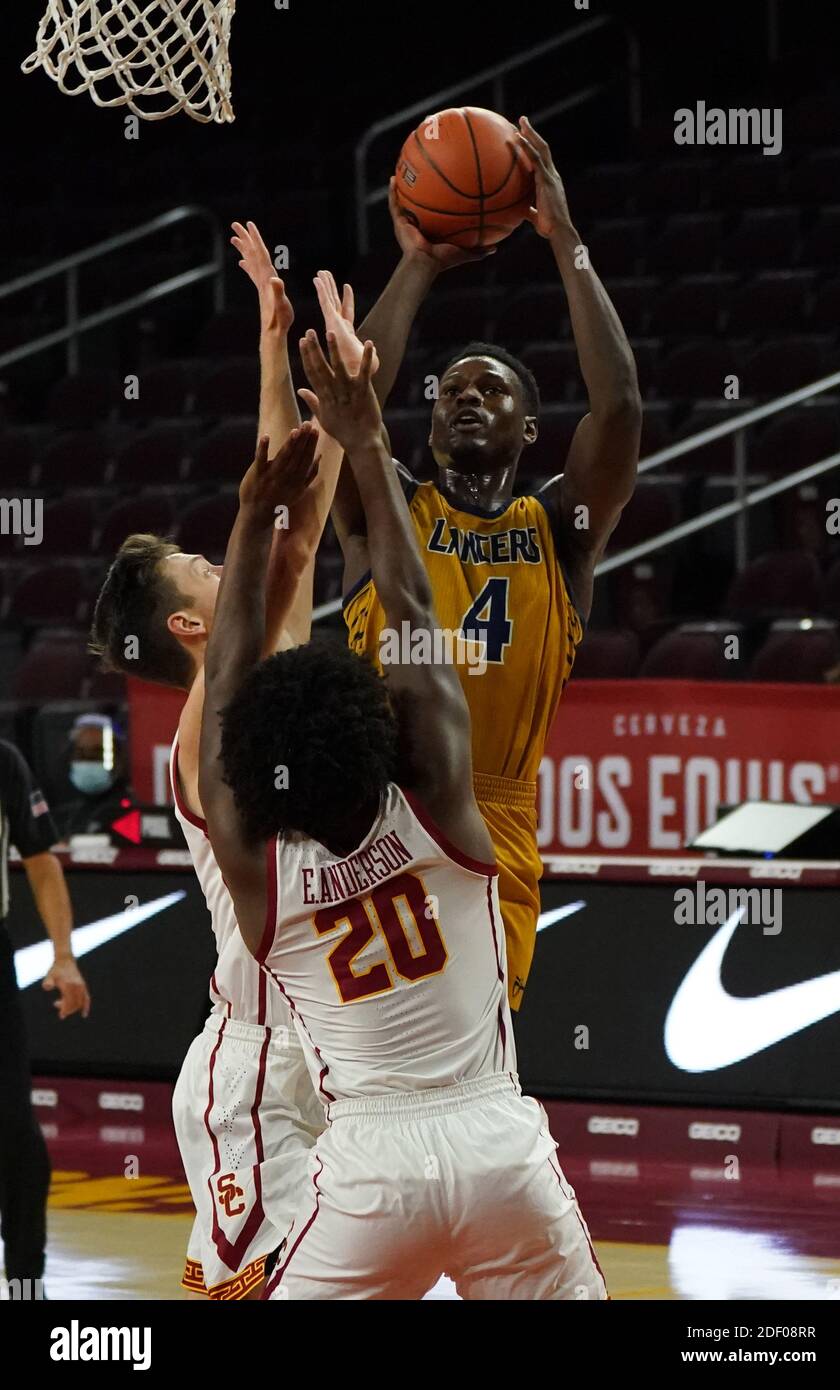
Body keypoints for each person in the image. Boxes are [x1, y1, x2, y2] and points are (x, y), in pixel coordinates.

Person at [197, 324, 606, 1301]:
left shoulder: (262, 879)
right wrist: (361, 449)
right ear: (386, 736)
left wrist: (255, 522)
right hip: (500, 1152)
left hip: (369, 1176)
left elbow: (222, 702)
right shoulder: (448, 829)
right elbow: (415, 620)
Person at [326, 117, 641, 1015]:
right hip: (371, 810)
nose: (466, 396)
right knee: (365, 1071)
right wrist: (420, 262)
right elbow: (350, 405)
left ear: (530, 431)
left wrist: (566, 241)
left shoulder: (562, 532)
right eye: (451, 389)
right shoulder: (382, 515)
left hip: (495, 814)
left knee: (475, 1067)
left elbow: (617, 411)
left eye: (491, 388)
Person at [89, 223, 345, 1300]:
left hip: (318, 1046)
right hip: (254, 1065)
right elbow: (280, 520)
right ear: (193, 629)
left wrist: (276, 350)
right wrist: (294, 377)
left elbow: (293, 509)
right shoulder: (209, 715)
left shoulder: (259, 657)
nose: (217, 559)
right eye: (199, 566)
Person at [0, 739, 90, 1297]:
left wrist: (64, 955)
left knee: (16, 1138)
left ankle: (26, 1286)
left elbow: (40, 861)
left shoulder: (4, 762)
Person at [51, 713, 137, 841]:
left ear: (118, 759)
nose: (88, 763)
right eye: (81, 755)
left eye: (97, 755)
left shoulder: (130, 814)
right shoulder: (62, 818)